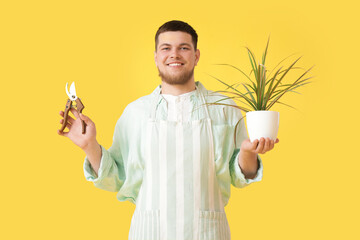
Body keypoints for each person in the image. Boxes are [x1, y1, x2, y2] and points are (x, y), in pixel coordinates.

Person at [58, 20, 279, 240]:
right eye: (166, 48)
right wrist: (90, 146)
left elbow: (240, 175)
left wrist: (249, 152)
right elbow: (115, 177)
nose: (175, 55)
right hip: (150, 232)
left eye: (184, 48)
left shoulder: (224, 107)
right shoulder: (135, 113)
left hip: (208, 233)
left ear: (196, 55)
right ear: (156, 57)